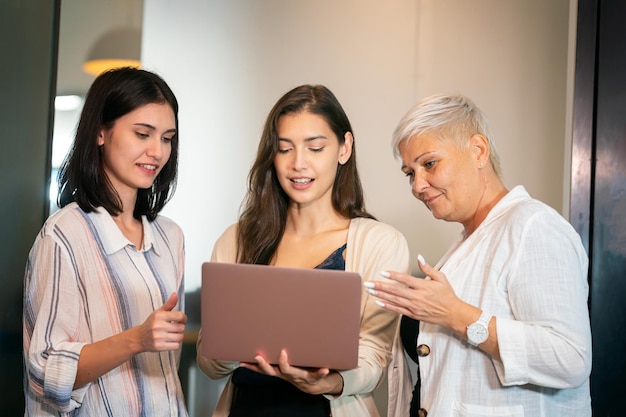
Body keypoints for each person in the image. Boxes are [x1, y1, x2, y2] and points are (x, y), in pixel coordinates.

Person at [364, 93, 593, 416]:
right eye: (409, 173)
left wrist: (456, 314)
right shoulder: (467, 243)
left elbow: (570, 358)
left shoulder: (534, 227)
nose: (417, 185)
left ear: (478, 151)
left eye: (429, 164)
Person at [196, 84, 410, 417]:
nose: (298, 163)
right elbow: (209, 363)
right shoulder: (237, 239)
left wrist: (327, 383)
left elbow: (374, 356)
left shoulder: (380, 243)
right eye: (284, 149)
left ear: (344, 148)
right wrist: (229, 346)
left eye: (315, 147)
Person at [23, 67, 189, 416]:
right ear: (100, 132)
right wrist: (136, 340)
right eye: (143, 134)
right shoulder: (64, 236)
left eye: (167, 138)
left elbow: (168, 367)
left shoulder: (170, 237)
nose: (157, 152)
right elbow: (46, 370)